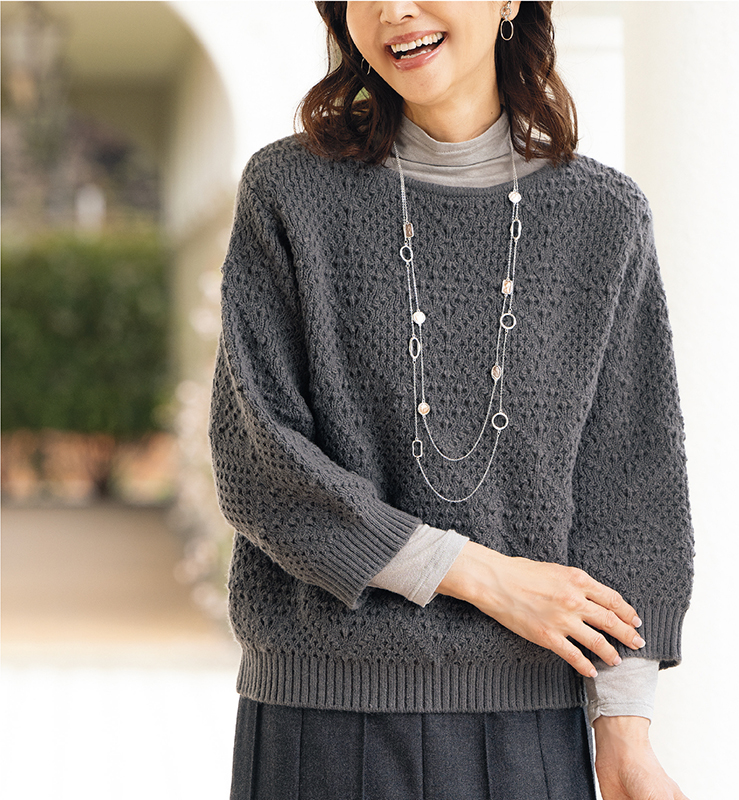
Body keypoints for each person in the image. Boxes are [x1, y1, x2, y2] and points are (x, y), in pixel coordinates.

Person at [210, 2, 694, 798]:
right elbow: (260, 463)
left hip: (530, 733)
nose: (395, 11)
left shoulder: (604, 218)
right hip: (319, 718)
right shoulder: (288, 191)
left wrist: (625, 730)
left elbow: (633, 493)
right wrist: (484, 577)